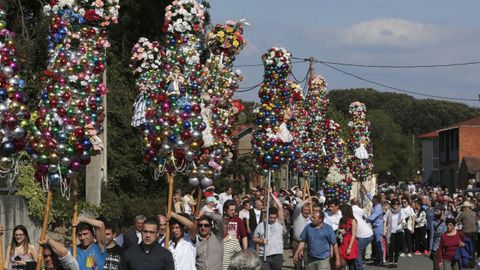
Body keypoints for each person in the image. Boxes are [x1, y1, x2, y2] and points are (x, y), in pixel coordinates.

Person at [253, 190, 285, 270]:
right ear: (267, 216)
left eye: (274, 218)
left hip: (277, 255)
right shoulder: (261, 225)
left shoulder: (279, 223)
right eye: (271, 217)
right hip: (264, 256)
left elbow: (280, 206)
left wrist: (271, 194)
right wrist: (261, 241)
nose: (273, 219)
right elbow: (254, 238)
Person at [351, 198, 373, 270]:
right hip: (366, 233)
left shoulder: (352, 211)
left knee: (357, 251)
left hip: (365, 235)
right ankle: (358, 265)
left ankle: (359, 267)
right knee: (358, 251)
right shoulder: (360, 210)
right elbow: (366, 212)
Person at [338, 204, 358, 270]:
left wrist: (349, 247)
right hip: (343, 242)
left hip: (350, 242)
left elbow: (353, 235)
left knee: (351, 264)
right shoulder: (341, 220)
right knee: (342, 262)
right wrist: (340, 231)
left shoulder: (353, 221)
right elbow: (338, 229)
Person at [384, 199, 403, 268]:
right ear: (392, 204)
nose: (396, 205)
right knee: (391, 247)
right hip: (391, 232)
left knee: (397, 248)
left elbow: (404, 220)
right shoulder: (389, 211)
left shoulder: (401, 211)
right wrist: (384, 229)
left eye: (397, 204)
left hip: (398, 232)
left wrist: (402, 221)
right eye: (394, 204)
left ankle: (395, 262)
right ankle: (391, 262)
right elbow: (385, 220)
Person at [368, 195, 385, 266]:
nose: (372, 201)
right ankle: (377, 259)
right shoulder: (375, 206)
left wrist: (365, 217)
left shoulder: (378, 207)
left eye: (373, 200)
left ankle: (380, 260)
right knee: (375, 244)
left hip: (378, 227)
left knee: (378, 244)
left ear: (377, 200)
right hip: (374, 227)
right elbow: (369, 196)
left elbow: (372, 218)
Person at [430, 205, 447, 270]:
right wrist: (430, 249)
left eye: (437, 211)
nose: (435, 213)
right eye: (435, 211)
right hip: (436, 246)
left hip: (446, 246)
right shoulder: (433, 221)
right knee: (436, 267)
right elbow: (432, 236)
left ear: (442, 211)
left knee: (446, 266)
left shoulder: (448, 220)